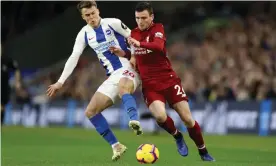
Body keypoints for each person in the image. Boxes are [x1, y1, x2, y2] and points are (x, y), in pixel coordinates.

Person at [114, 2, 215, 161]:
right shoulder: (132, 34)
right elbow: (136, 56)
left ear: (151, 17)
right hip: (150, 85)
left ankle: (203, 151)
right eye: (137, 18)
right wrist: (124, 53)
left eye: (144, 18)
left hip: (169, 81)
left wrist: (139, 43)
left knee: (188, 119)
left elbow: (158, 46)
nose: (140, 21)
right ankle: (177, 136)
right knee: (160, 117)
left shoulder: (158, 28)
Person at [46, 1, 142, 161]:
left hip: (129, 68)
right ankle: (116, 146)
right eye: (87, 15)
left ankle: (134, 119)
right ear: (83, 17)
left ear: (98, 10)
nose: (91, 17)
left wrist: (133, 56)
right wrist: (60, 82)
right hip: (113, 76)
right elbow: (74, 57)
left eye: (93, 13)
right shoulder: (84, 34)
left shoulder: (113, 23)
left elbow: (134, 37)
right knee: (90, 112)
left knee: (123, 89)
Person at [1, 44, 22, 125]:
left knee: (2, 106)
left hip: (4, 87)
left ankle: (1, 123)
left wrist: (17, 82)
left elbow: (16, 69)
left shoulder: (6, 60)